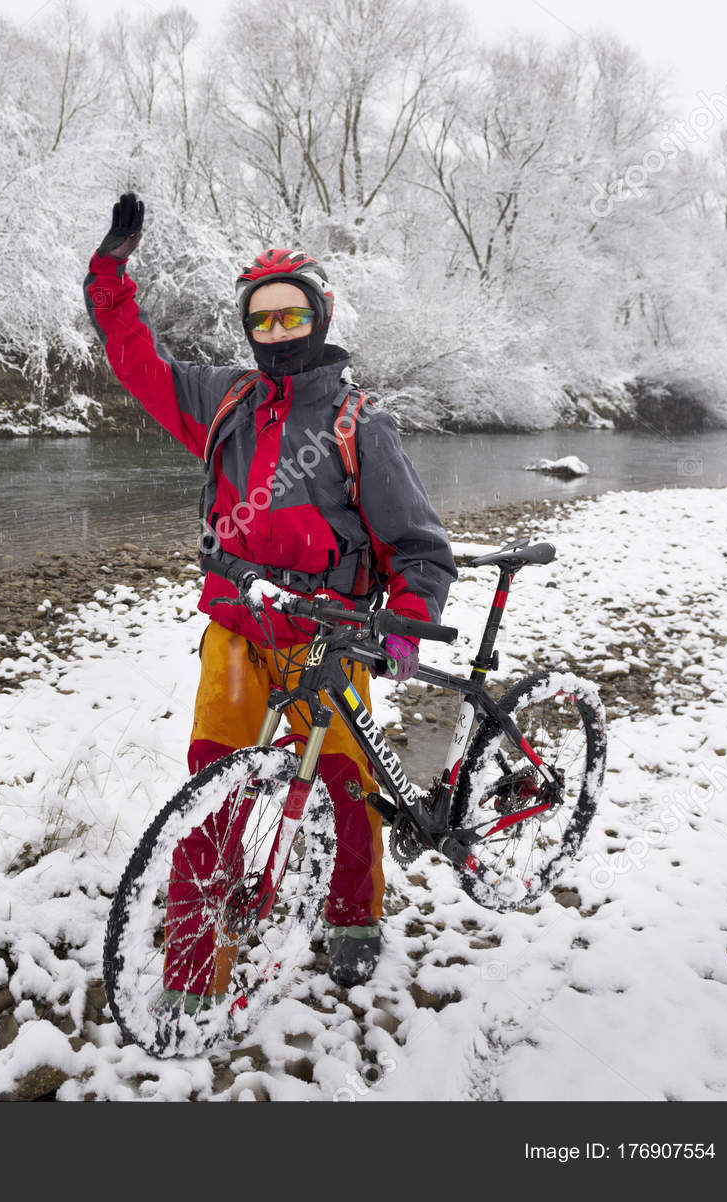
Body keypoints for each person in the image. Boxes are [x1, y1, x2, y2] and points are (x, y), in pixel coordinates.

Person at [83, 192, 456, 992]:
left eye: (293, 317)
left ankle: (353, 913)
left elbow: (420, 549)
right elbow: (134, 360)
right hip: (239, 626)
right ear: (249, 328)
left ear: (320, 318)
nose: (278, 333)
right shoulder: (223, 402)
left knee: (343, 784)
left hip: (331, 635)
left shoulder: (361, 425)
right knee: (211, 790)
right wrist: (111, 274)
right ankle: (194, 964)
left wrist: (405, 626)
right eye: (264, 321)